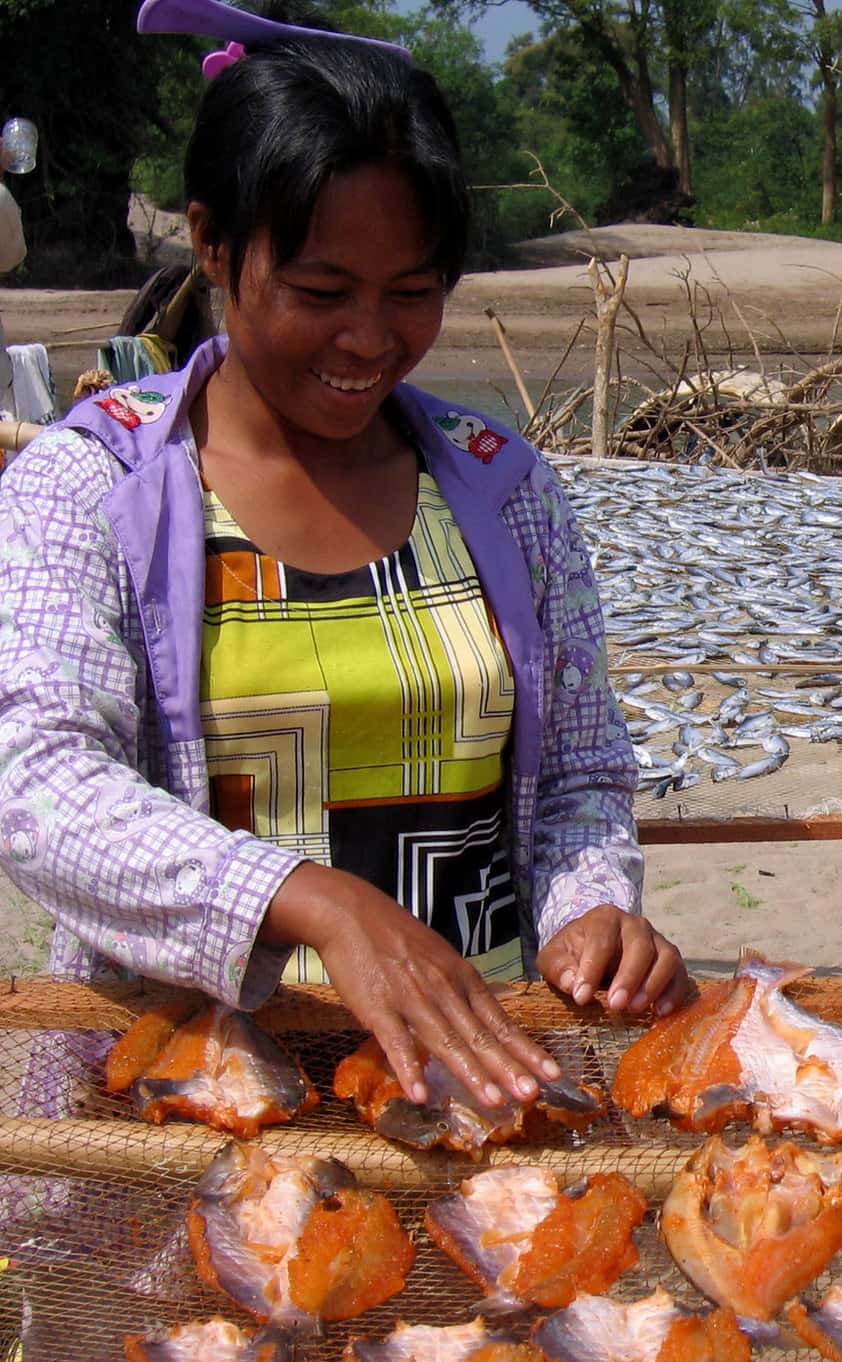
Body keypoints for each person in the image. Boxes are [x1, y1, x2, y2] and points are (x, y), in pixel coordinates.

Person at [0, 2, 692, 1112]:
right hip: (186, 1109)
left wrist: (590, 909)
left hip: (473, 1086)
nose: (370, 338)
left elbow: (579, 777)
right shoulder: (91, 485)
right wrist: (308, 899)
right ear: (215, 245)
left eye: (412, 293)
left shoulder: (503, 490)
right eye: (321, 292)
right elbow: (34, 785)